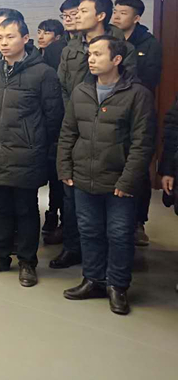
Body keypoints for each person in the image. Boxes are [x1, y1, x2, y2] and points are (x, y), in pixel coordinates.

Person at [58, 36, 155, 315]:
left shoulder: (137, 94)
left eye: (98, 54)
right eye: (90, 54)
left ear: (117, 59)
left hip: (119, 181)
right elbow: (68, 133)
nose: (91, 59)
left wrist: (128, 180)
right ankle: (93, 280)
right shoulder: (81, 91)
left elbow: (142, 143)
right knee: (89, 231)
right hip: (83, 177)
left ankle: (117, 286)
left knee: (120, 235)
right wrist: (65, 168)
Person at [0, 18, 63, 287]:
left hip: (27, 152)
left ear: (25, 39)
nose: (3, 42)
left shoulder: (43, 73)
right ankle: (0, 255)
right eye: (0, 37)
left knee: (25, 209)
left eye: (10, 37)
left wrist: (34, 142)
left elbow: (53, 117)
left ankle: (27, 261)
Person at [54, 0, 136, 269]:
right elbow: (62, 86)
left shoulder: (122, 47)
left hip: (110, 133)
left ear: (100, 16)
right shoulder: (70, 48)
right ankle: (73, 249)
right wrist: (74, 112)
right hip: (75, 126)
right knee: (72, 198)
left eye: (82, 11)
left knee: (114, 216)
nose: (76, 16)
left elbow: (128, 88)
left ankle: (112, 269)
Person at [113, 0, 163, 245]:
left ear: (136, 18)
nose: (116, 17)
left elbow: (150, 79)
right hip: (111, 112)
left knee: (138, 168)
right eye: (115, 11)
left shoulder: (149, 44)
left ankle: (138, 223)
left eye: (123, 13)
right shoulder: (109, 40)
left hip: (137, 110)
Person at [37, 18, 66, 239]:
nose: (41, 36)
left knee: (57, 176)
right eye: (40, 31)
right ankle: (51, 213)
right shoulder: (36, 55)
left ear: (57, 36)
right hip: (38, 124)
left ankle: (54, 213)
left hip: (57, 122)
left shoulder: (58, 53)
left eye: (46, 32)